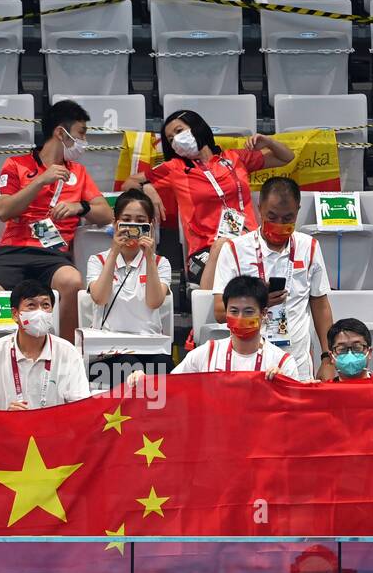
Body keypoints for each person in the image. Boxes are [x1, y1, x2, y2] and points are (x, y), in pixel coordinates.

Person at [0, 99, 112, 342]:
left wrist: (80, 207)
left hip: (53, 255)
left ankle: (67, 353)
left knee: (72, 281)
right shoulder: (16, 164)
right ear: (60, 132)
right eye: (80, 134)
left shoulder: (78, 172)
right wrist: (40, 181)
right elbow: (3, 211)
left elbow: (106, 213)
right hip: (13, 250)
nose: (83, 142)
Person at [122, 109, 293, 284]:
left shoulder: (233, 158)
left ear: (197, 127)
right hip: (205, 251)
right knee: (231, 276)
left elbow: (286, 157)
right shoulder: (174, 168)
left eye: (179, 131)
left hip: (249, 242)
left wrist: (268, 142)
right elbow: (128, 183)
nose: (175, 140)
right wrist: (148, 187)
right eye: (171, 139)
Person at [203, 176, 333, 381]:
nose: (279, 225)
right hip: (248, 362)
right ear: (259, 209)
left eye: (288, 219)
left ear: (298, 211)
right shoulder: (234, 250)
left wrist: (327, 359)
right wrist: (258, 300)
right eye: (272, 217)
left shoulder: (310, 247)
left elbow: (320, 305)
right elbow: (220, 312)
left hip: (297, 360)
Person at [85, 188, 174, 382]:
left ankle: (153, 412)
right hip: (108, 351)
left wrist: (149, 257)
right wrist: (114, 251)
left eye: (141, 222)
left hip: (150, 347)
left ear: (151, 225)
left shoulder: (161, 263)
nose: (133, 227)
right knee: (129, 365)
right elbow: (99, 298)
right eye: (126, 220)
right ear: (115, 223)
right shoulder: (97, 260)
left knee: (165, 366)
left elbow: (154, 301)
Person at [0, 279, 90, 410]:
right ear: (15, 314)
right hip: (8, 429)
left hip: (53, 429)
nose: (40, 313)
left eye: (45, 305)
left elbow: (81, 407)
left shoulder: (68, 352)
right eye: (31, 306)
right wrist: (5, 417)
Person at [172, 277, 300, 379]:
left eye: (248, 312)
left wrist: (283, 385)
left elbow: (297, 406)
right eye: (234, 311)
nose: (240, 318)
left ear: (264, 313)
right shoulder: (205, 354)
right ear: (226, 313)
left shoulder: (282, 363)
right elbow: (169, 388)